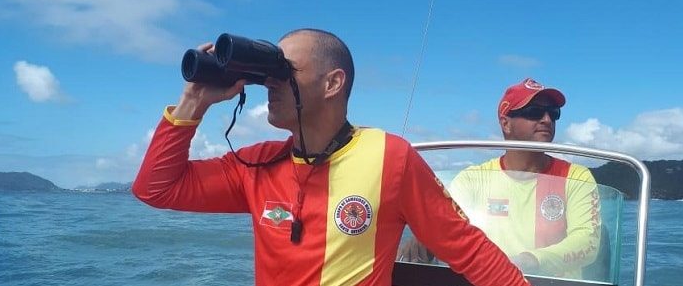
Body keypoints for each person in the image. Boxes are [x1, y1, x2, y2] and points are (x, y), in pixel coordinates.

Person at [132, 29, 530, 286]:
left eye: (283, 69)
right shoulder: (258, 165)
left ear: (332, 83)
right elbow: (156, 189)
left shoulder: (390, 158)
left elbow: (468, 249)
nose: (271, 80)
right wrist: (193, 101)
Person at [398, 78, 601, 280]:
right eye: (534, 112)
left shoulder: (576, 177)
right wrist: (426, 238)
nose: (547, 119)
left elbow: (587, 242)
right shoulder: (473, 179)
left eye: (553, 113)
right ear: (506, 123)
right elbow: (448, 225)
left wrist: (530, 260)